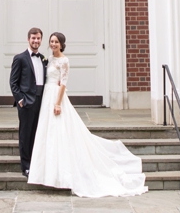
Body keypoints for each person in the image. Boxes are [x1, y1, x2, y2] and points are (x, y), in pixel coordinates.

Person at [28, 32, 148, 197]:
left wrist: (57, 103)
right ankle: (48, 172)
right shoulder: (47, 59)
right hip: (46, 97)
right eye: (51, 41)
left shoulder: (64, 60)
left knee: (61, 132)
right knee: (48, 133)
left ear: (62, 44)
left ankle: (63, 174)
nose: (53, 44)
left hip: (56, 97)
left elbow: (63, 83)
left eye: (56, 42)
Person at [9, 27, 47, 177]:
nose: (36, 41)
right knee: (25, 134)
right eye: (33, 38)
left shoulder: (44, 58)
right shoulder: (20, 58)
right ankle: (26, 166)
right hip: (26, 102)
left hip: (41, 101)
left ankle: (35, 163)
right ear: (28, 39)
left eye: (38, 38)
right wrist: (20, 100)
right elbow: (13, 82)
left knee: (37, 134)